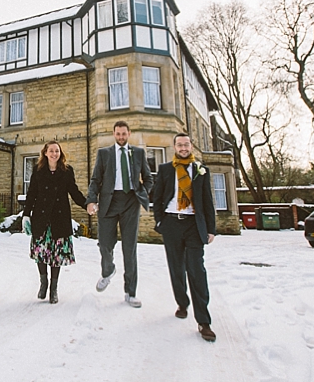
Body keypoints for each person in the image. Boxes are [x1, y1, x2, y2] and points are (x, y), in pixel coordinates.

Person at [152, 132, 217, 342]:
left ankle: (204, 321)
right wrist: (160, 222)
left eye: (186, 144)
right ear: (174, 147)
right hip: (171, 223)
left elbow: (207, 200)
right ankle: (182, 302)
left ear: (191, 146)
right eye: (179, 145)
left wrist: (211, 228)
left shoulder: (201, 170)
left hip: (193, 224)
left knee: (196, 269)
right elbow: (158, 197)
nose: (183, 148)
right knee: (176, 267)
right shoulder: (165, 170)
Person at [85, 120, 153, 307]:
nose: (121, 137)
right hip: (109, 202)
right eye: (118, 133)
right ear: (114, 134)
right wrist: (91, 199)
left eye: (124, 133)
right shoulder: (104, 154)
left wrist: (142, 193)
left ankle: (130, 292)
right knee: (105, 244)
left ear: (129, 134)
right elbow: (95, 179)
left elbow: (148, 178)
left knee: (129, 249)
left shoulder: (138, 153)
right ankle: (108, 270)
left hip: (130, 202)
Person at [22, 140, 87, 304]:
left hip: (59, 218)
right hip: (41, 218)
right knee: (41, 253)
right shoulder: (38, 171)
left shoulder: (66, 171)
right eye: (51, 151)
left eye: (57, 151)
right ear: (45, 153)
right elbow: (31, 195)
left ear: (60, 153)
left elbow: (74, 192)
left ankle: (53, 289)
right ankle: (43, 283)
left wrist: (87, 204)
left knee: (56, 255)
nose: (54, 154)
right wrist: (26, 215)